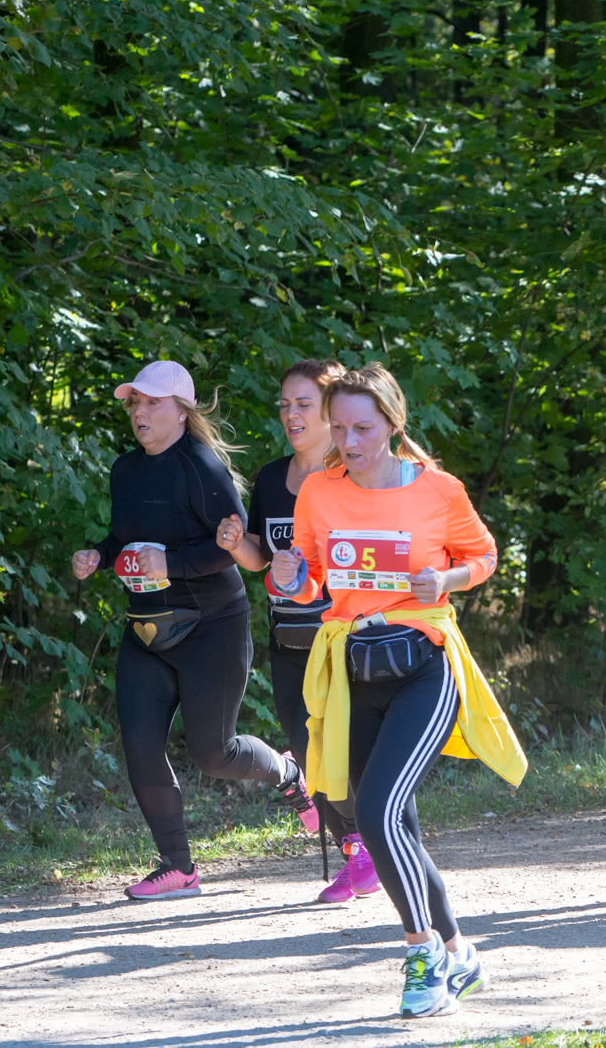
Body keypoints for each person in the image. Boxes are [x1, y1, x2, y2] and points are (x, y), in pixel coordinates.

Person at [269, 363, 526, 1018]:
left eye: (362, 427)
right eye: (339, 427)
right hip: (351, 670)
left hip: (423, 664)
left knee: (378, 810)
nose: (348, 440)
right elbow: (305, 583)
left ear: (391, 423)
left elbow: (485, 556)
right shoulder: (318, 493)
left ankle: (422, 957)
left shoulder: (437, 489)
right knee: (394, 827)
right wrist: (288, 574)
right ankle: (460, 949)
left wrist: (447, 580)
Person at [71, 360, 318, 901]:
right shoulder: (125, 470)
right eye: (134, 403)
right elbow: (125, 538)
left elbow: (232, 547)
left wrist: (171, 565)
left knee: (213, 751)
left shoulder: (200, 466)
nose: (140, 412)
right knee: (139, 745)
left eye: (152, 403)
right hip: (147, 626)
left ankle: (285, 773)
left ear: (180, 411)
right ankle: (177, 866)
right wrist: (99, 554)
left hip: (213, 626)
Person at [217, 358, 379, 903]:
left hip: (345, 639)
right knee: (309, 756)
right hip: (288, 640)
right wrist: (236, 541)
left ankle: (377, 849)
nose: (291, 414)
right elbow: (260, 558)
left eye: (303, 404)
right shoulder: (269, 477)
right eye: (284, 405)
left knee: (352, 753)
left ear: (330, 409)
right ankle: (357, 851)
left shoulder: (351, 476)